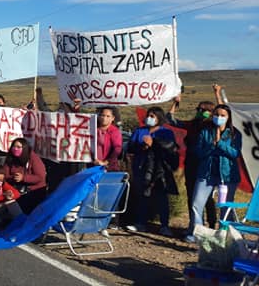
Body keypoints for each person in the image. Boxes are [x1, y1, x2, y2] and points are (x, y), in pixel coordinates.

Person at [186, 104, 241, 241]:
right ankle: (197, 233)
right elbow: (198, 152)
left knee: (225, 206)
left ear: (228, 117)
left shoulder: (235, 134)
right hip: (206, 173)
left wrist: (220, 143)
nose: (219, 117)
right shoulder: (205, 132)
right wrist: (212, 146)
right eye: (216, 114)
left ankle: (225, 235)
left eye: (223, 115)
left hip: (227, 175)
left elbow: (235, 153)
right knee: (196, 204)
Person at [168, 89, 220, 231]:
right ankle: (195, 225)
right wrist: (175, 103)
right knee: (192, 195)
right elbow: (170, 119)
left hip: (206, 164)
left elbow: (224, 112)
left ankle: (211, 224)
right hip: (191, 163)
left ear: (211, 112)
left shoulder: (213, 127)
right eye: (199, 109)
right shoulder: (192, 125)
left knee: (207, 196)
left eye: (204, 110)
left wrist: (217, 95)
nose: (200, 112)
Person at [127, 106, 179, 235]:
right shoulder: (139, 131)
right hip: (141, 166)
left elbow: (170, 148)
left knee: (161, 197)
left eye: (152, 116)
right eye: (148, 116)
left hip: (159, 168)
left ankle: (164, 225)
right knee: (142, 196)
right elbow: (130, 147)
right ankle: (140, 223)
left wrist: (154, 143)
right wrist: (142, 147)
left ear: (159, 118)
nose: (148, 118)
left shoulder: (166, 132)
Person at [4, 137, 48, 213]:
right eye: (14, 146)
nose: (15, 149)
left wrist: (23, 178)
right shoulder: (10, 158)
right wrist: (13, 178)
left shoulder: (34, 158)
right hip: (16, 190)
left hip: (34, 191)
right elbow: (5, 174)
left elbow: (40, 177)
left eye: (18, 147)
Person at [94, 106, 123, 171]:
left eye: (108, 116)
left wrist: (106, 162)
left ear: (113, 118)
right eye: (102, 115)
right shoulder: (93, 128)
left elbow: (117, 149)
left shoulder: (115, 131)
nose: (104, 118)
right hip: (92, 167)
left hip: (109, 168)